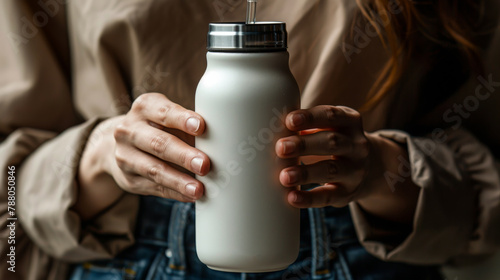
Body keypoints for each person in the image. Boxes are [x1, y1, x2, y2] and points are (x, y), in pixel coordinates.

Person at [0, 0, 499, 279]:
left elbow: (485, 173)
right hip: (126, 250)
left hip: (366, 256)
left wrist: (381, 167)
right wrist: (98, 154)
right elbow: (11, 181)